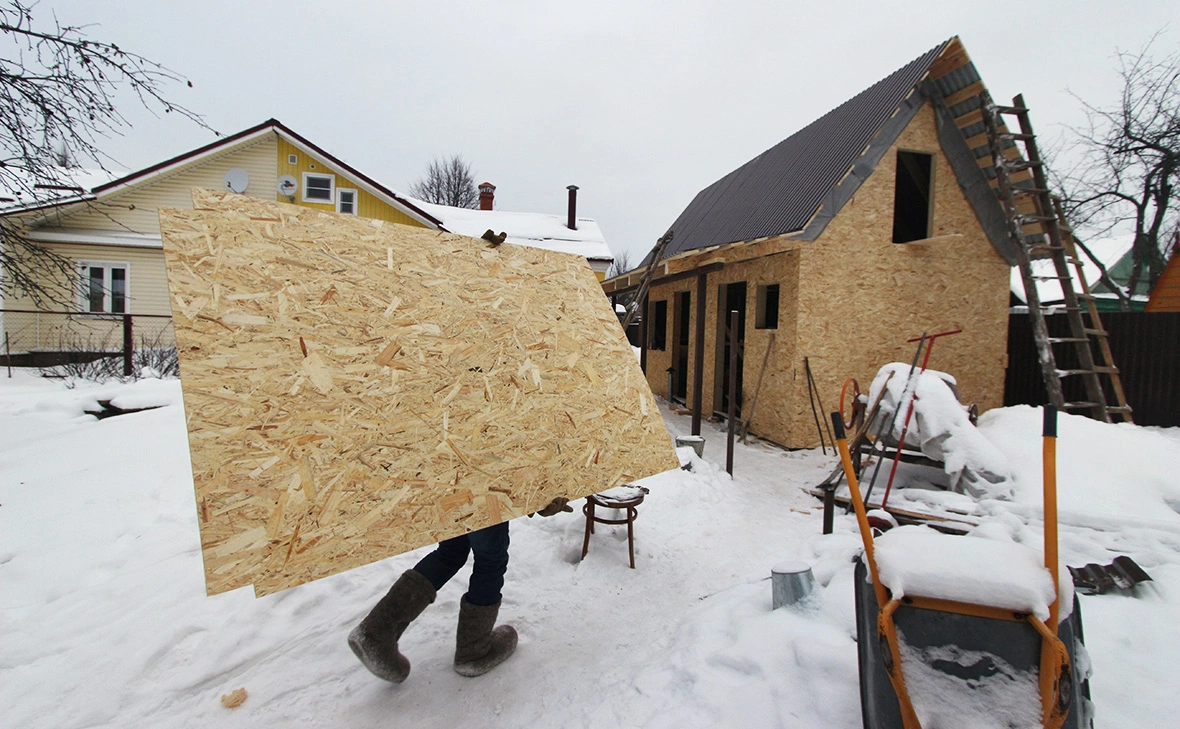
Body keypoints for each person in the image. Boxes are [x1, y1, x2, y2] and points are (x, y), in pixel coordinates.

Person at [348, 497, 570, 681]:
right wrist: (540, 494)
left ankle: (377, 632)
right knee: (490, 560)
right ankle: (474, 651)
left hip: (452, 480)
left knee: (450, 553)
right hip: (483, 486)